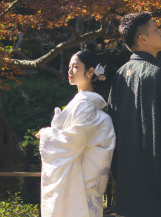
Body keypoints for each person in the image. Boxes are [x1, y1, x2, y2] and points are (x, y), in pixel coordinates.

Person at [108, 12, 161, 217]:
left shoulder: (121, 74)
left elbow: (112, 126)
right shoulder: (157, 75)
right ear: (142, 39)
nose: (160, 31)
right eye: (155, 28)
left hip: (128, 173)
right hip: (157, 174)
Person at [36, 49, 116, 217]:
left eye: (76, 67)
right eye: (69, 67)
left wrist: (47, 133)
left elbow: (73, 141)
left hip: (81, 181)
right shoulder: (82, 102)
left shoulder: (86, 105)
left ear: (90, 72)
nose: (70, 71)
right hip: (78, 179)